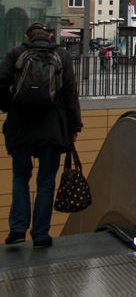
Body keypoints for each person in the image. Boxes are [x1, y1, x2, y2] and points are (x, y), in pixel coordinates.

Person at [0, 23, 83, 248]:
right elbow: (70, 94)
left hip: (20, 127)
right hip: (52, 127)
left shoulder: (16, 53)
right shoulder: (62, 55)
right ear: (49, 36)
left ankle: (17, 230)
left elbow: (0, 83)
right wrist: (74, 127)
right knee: (46, 182)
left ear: (27, 36)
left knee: (20, 178)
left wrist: (10, 105)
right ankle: (40, 235)